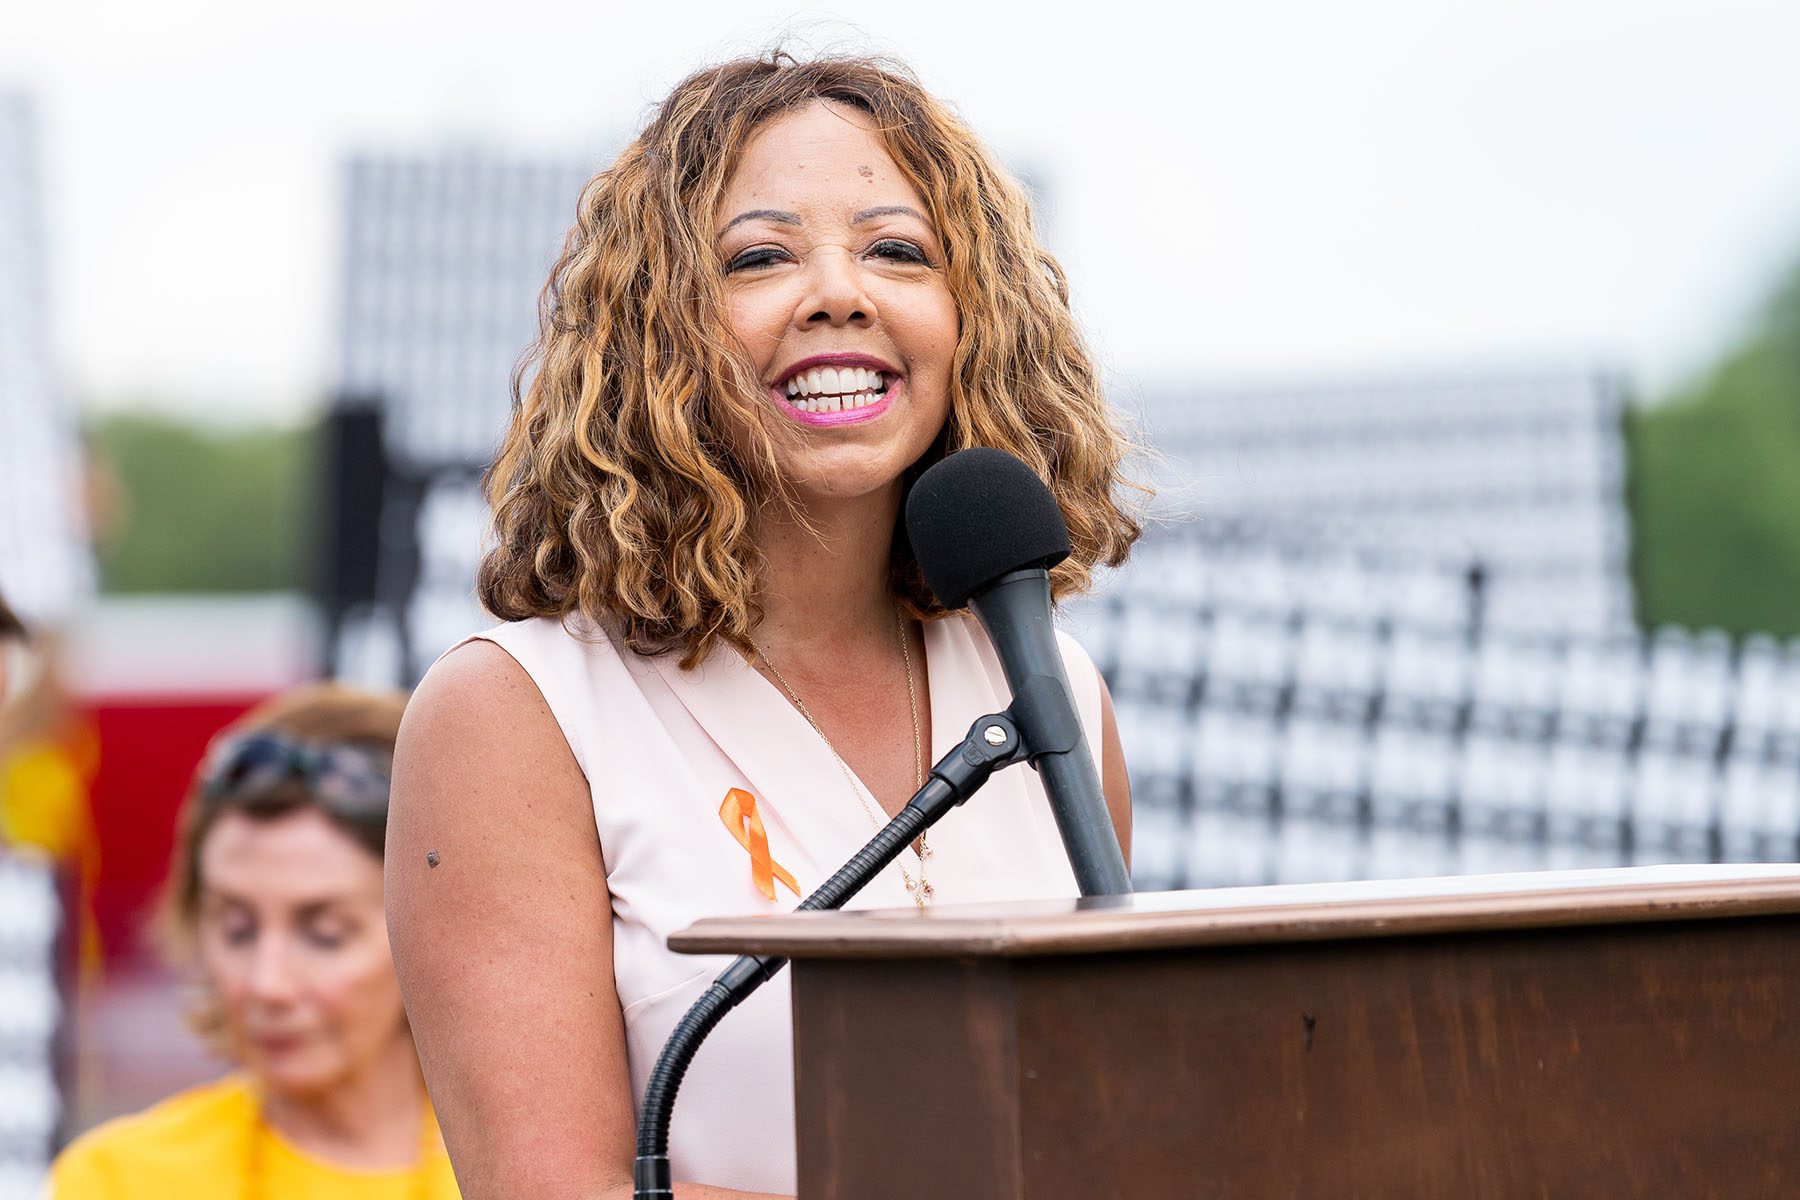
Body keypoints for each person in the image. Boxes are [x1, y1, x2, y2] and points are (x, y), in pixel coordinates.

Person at [387, 51, 1143, 1200]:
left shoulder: (1056, 691)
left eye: (898, 250)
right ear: (653, 335)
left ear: (970, 318)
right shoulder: (517, 715)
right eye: (759, 257)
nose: (841, 292)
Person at [50, 683, 460, 1198]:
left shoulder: (532, 1171)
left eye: (325, 934)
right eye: (236, 929)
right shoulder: (118, 1180)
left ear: (434, 936)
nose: (268, 984)